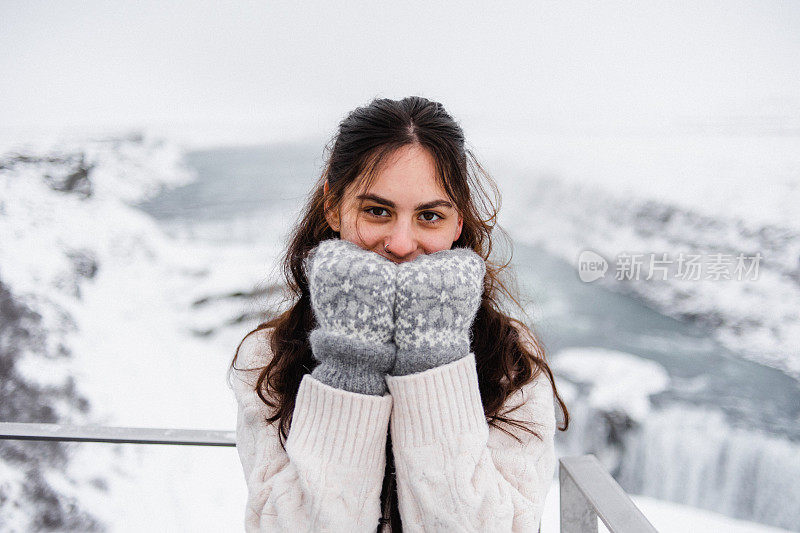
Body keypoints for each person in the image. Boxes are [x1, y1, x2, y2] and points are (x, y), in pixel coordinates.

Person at [228, 96, 569, 532]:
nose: (402, 244)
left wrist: (435, 362)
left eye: (429, 216)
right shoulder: (267, 357)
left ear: (457, 223)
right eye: (377, 211)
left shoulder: (510, 357)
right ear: (333, 206)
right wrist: (351, 366)